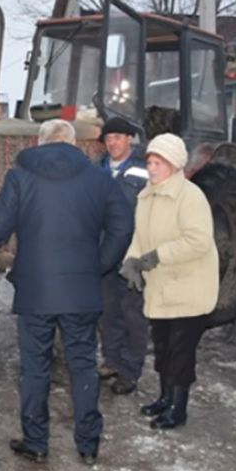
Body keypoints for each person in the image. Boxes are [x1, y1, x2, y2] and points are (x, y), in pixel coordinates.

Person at [0, 119, 132, 465]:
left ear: (41, 142)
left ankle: (36, 441)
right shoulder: (98, 178)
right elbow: (123, 226)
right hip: (81, 290)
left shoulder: (20, 177)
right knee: (82, 365)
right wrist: (98, 264)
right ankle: (88, 445)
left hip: (35, 290)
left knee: (35, 369)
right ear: (73, 144)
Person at [119, 133, 219, 431]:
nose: (151, 168)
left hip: (188, 286)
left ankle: (179, 407)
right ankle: (165, 397)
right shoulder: (146, 195)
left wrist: (156, 257)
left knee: (180, 350)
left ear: (174, 165)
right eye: (149, 161)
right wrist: (131, 260)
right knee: (162, 346)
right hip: (161, 287)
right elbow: (140, 235)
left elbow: (198, 241)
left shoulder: (190, 196)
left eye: (158, 163)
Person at [96, 117, 150, 395]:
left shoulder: (144, 170)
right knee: (107, 312)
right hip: (105, 253)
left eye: (118, 137)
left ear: (129, 139)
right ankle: (112, 360)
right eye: (108, 138)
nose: (112, 143)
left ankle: (130, 369)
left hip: (132, 254)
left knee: (133, 314)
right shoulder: (97, 169)